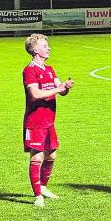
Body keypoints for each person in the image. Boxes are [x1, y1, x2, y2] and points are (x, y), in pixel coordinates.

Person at [22, 34, 74, 207]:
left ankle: (43, 187)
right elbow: (35, 94)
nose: (48, 48)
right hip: (35, 121)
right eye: (45, 46)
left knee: (51, 154)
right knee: (36, 156)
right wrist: (58, 89)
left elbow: (61, 91)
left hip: (49, 120)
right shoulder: (30, 70)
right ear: (36, 50)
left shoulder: (50, 69)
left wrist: (65, 87)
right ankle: (37, 196)